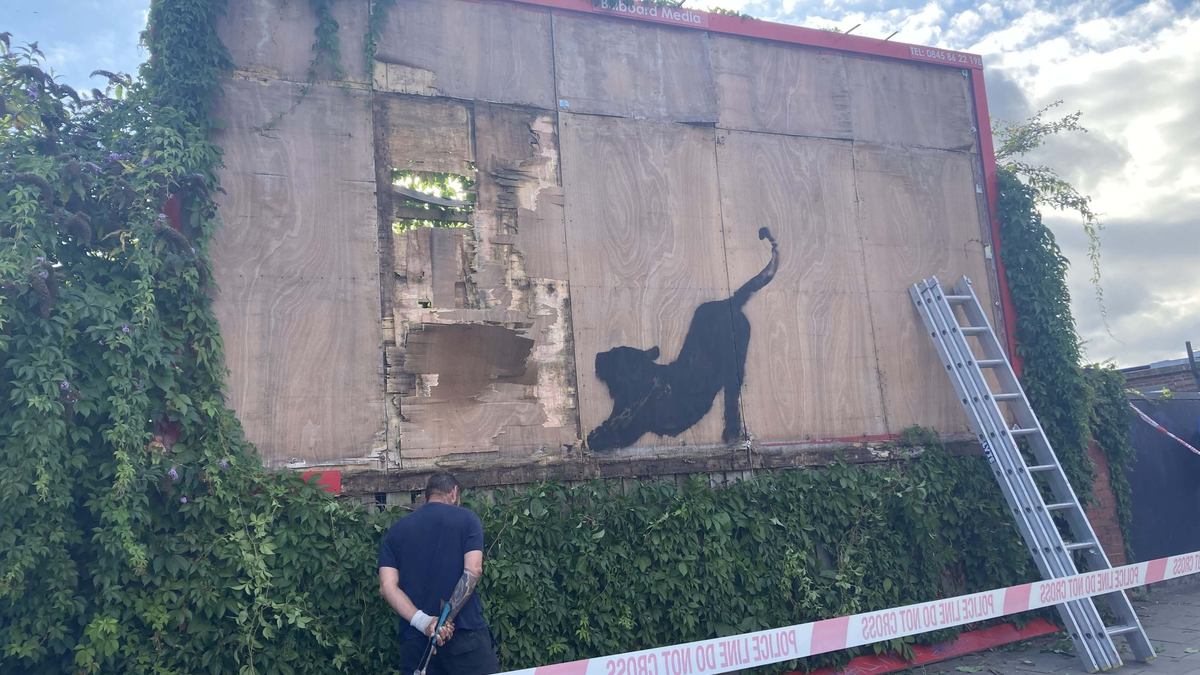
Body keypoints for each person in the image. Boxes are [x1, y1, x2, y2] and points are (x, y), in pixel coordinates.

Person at [378, 472, 500, 675]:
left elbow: (387, 586)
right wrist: (443, 623)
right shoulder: (467, 519)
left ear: (426, 497)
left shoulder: (396, 531)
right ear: (454, 492)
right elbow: (473, 569)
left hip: (417, 644)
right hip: (464, 638)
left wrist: (426, 623)